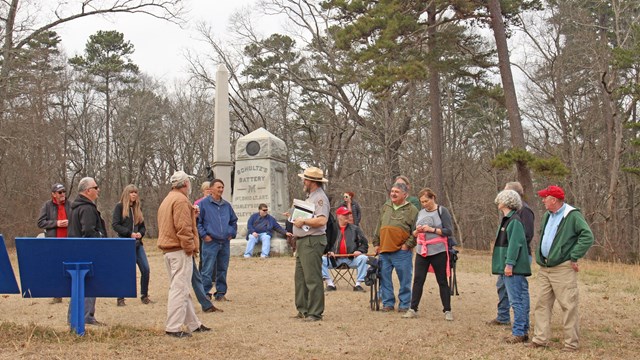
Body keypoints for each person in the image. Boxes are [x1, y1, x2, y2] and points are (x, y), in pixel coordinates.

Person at [528, 185, 594, 352]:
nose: (543, 200)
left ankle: (571, 344)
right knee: (542, 304)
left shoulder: (572, 215)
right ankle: (540, 339)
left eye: (545, 197)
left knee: (568, 305)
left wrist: (574, 256)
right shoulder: (547, 216)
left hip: (562, 268)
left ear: (554, 200)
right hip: (545, 268)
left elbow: (587, 236)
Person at [157, 170, 210, 338]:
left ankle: (194, 324)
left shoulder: (168, 199)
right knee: (179, 289)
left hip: (170, 250)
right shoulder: (180, 200)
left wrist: (191, 215)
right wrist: (190, 248)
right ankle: (173, 327)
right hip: (178, 250)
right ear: (186, 184)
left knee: (182, 288)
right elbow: (183, 228)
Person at [403, 188, 455, 321]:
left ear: (433, 198)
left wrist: (432, 229)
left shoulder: (442, 211)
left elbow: (448, 231)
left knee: (442, 280)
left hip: (438, 250)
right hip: (422, 251)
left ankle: (447, 310)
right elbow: (414, 231)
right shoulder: (420, 213)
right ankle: (413, 308)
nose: (424, 204)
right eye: (422, 202)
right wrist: (416, 232)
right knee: (418, 280)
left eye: (426, 201)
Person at [489, 181, 535, 326]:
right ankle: (503, 317)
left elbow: (522, 237)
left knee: (518, 293)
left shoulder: (523, 212)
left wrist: (510, 262)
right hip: (508, 258)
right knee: (503, 287)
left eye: (504, 192)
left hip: (518, 257)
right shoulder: (507, 217)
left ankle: (521, 327)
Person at [372, 182, 418, 313]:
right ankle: (388, 303)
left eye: (396, 192)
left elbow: (417, 231)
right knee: (385, 277)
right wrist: (376, 243)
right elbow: (379, 226)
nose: (393, 194)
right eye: (392, 191)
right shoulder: (386, 207)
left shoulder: (412, 210)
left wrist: (407, 245)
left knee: (405, 279)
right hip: (384, 250)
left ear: (405, 195)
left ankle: (404, 305)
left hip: (401, 252)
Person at [292, 167, 330, 322]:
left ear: (313, 182)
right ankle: (303, 309)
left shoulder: (320, 198)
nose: (304, 181)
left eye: (306, 179)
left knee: (312, 277)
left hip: (312, 241)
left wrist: (304, 221)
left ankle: (315, 312)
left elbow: (322, 220)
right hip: (302, 242)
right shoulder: (310, 197)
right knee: (300, 278)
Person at [67, 177, 106, 326]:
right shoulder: (87, 208)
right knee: (89, 284)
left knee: (78, 286)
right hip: (88, 252)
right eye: (96, 187)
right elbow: (89, 231)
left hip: (76, 251)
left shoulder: (76, 207)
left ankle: (75, 316)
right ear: (88, 191)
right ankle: (86, 317)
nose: (98, 190)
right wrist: (101, 237)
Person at [197, 179, 238, 302]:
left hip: (224, 242)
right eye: (218, 187)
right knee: (207, 269)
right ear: (211, 189)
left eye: (222, 187)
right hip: (210, 242)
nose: (220, 190)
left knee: (222, 268)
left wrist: (231, 233)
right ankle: (205, 293)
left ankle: (220, 293)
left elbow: (233, 221)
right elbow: (197, 222)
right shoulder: (203, 204)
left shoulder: (226, 205)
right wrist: (204, 235)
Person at [112, 184, 151, 307]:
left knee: (146, 269)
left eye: (135, 192)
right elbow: (115, 224)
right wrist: (129, 234)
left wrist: (140, 233)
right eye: (131, 192)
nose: (134, 194)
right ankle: (120, 297)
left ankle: (144, 295)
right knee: (124, 271)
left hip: (138, 245)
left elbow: (143, 227)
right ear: (126, 194)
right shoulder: (119, 207)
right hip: (124, 244)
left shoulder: (137, 209)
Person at [37, 182, 71, 305]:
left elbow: (77, 220)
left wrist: (69, 222)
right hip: (54, 241)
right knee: (55, 268)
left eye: (64, 192)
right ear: (53, 194)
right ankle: (57, 295)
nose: (62, 194)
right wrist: (56, 223)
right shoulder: (47, 206)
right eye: (60, 192)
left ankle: (72, 292)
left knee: (70, 267)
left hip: (69, 241)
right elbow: (40, 222)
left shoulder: (70, 205)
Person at [322, 206, 369, 292]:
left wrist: (360, 250)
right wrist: (328, 251)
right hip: (334, 260)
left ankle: (358, 285)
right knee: (319, 259)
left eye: (348, 214)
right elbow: (324, 243)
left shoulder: (355, 229)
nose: (347, 216)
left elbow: (364, 243)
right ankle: (330, 284)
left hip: (351, 259)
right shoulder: (330, 229)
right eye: (344, 215)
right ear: (339, 216)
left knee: (364, 258)